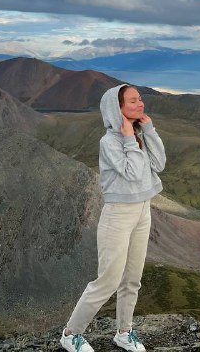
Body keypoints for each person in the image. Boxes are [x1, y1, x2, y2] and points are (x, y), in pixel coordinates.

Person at [60, 84, 166, 352]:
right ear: (116, 109)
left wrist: (148, 130)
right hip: (118, 215)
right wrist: (129, 137)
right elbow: (132, 173)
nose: (140, 104)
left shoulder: (140, 134)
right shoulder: (109, 142)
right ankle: (71, 334)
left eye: (139, 99)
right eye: (132, 101)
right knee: (107, 280)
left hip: (143, 210)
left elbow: (160, 164)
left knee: (132, 278)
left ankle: (123, 332)